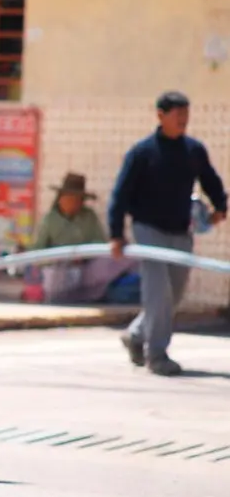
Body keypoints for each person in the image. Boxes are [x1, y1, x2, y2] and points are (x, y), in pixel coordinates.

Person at [108, 90, 227, 376]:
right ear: (161, 116)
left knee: (173, 295)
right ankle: (157, 355)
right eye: (178, 115)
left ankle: (136, 335)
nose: (184, 120)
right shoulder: (142, 153)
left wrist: (221, 207)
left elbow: (210, 180)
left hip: (180, 232)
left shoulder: (193, 151)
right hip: (148, 231)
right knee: (158, 292)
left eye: (186, 115)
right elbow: (120, 195)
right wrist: (116, 234)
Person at [31, 172, 137, 303]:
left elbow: (101, 242)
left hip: (86, 268)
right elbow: (37, 253)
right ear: (61, 198)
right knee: (56, 275)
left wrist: (83, 255)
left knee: (127, 257)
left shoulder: (89, 216)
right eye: (70, 198)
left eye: (78, 199)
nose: (74, 203)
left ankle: (94, 296)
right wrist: (61, 258)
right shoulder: (49, 220)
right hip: (60, 270)